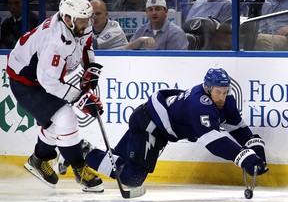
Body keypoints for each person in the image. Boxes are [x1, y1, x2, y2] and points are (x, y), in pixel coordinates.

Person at [83, 68, 269, 188]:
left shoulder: (225, 101)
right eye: (218, 92)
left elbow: (237, 128)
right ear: (207, 88)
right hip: (149, 125)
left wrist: (254, 146)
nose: (221, 96)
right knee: (132, 178)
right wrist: (244, 157)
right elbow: (213, 141)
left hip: (148, 119)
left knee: (121, 161)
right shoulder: (200, 105)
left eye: (225, 92)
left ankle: (82, 158)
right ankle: (83, 153)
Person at [6, 0, 104, 192]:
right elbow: (49, 82)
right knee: (65, 116)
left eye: (88, 20)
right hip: (26, 82)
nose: (86, 25)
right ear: (67, 19)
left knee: (55, 123)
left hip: (42, 76)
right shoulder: (55, 41)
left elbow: (85, 44)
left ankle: (38, 159)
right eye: (82, 21)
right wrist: (80, 98)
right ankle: (80, 169)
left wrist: (90, 67)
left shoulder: (78, 22)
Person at [125, 0, 189, 50]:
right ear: (146, 13)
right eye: (150, 10)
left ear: (166, 11)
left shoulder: (176, 33)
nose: (154, 13)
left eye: (158, 9)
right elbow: (125, 52)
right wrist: (139, 40)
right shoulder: (141, 30)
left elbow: (178, 60)